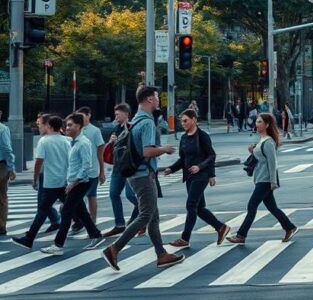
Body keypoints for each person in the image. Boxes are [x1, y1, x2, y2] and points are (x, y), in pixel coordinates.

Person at [102, 84, 184, 271]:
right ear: (149, 99)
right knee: (146, 215)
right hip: (143, 175)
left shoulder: (135, 121)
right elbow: (147, 151)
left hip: (135, 173)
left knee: (153, 216)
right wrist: (164, 149)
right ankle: (114, 249)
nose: (158, 100)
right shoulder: (147, 123)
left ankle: (161, 255)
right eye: (157, 97)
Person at [162, 109, 229, 248]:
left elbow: (211, 155)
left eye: (185, 120)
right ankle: (221, 227)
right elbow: (183, 159)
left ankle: (185, 238)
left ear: (194, 119)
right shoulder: (184, 138)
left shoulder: (202, 136)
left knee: (191, 205)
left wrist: (206, 171)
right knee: (199, 208)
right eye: (181, 121)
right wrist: (171, 169)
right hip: (189, 176)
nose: (183, 123)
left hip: (201, 176)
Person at [226, 113, 297, 244]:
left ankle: (241, 235)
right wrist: (252, 151)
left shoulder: (268, 142)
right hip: (260, 178)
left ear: (267, 125)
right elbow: (261, 159)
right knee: (272, 207)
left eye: (259, 122)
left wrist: (273, 182)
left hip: (265, 180)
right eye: (257, 122)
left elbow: (272, 163)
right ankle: (290, 227)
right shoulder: (262, 140)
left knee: (251, 206)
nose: (256, 124)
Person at [40, 113, 105, 255]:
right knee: (81, 211)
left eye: (70, 125)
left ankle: (58, 245)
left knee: (66, 211)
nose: (67, 128)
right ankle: (96, 235)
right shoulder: (73, 142)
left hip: (80, 183)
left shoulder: (83, 143)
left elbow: (86, 167)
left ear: (79, 126)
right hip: (75, 183)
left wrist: (73, 183)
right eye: (66, 125)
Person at [12, 115, 71, 250]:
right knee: (73, 207)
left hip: (51, 182)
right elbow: (71, 161)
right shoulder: (67, 141)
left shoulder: (44, 141)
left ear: (49, 126)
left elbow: (39, 162)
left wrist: (35, 179)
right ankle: (89, 228)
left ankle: (29, 238)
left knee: (43, 210)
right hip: (64, 180)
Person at [103, 104, 138, 238]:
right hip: (117, 167)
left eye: (118, 114)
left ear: (126, 114)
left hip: (129, 167)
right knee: (113, 194)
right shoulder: (116, 129)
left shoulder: (133, 128)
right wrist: (111, 142)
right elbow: (111, 150)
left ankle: (145, 212)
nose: (116, 117)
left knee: (130, 195)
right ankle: (119, 224)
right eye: (115, 114)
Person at [74, 107, 106, 230]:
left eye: (82, 116)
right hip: (77, 170)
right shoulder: (76, 129)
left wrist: (101, 171)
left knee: (91, 195)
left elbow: (100, 152)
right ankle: (79, 220)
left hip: (91, 170)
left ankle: (93, 221)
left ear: (89, 115)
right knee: (75, 198)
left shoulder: (95, 131)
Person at [0, 107, 16, 236]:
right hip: (1, 165)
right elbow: (7, 149)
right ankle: (1, 226)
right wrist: (11, 168)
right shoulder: (2, 129)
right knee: (2, 197)